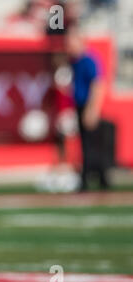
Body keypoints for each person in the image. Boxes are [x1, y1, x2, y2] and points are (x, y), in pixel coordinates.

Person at [65, 26, 108, 191]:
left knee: (91, 144)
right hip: (80, 105)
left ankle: (94, 178)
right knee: (85, 144)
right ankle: (92, 178)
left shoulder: (89, 60)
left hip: (88, 106)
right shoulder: (74, 61)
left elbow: (98, 85)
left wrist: (92, 109)